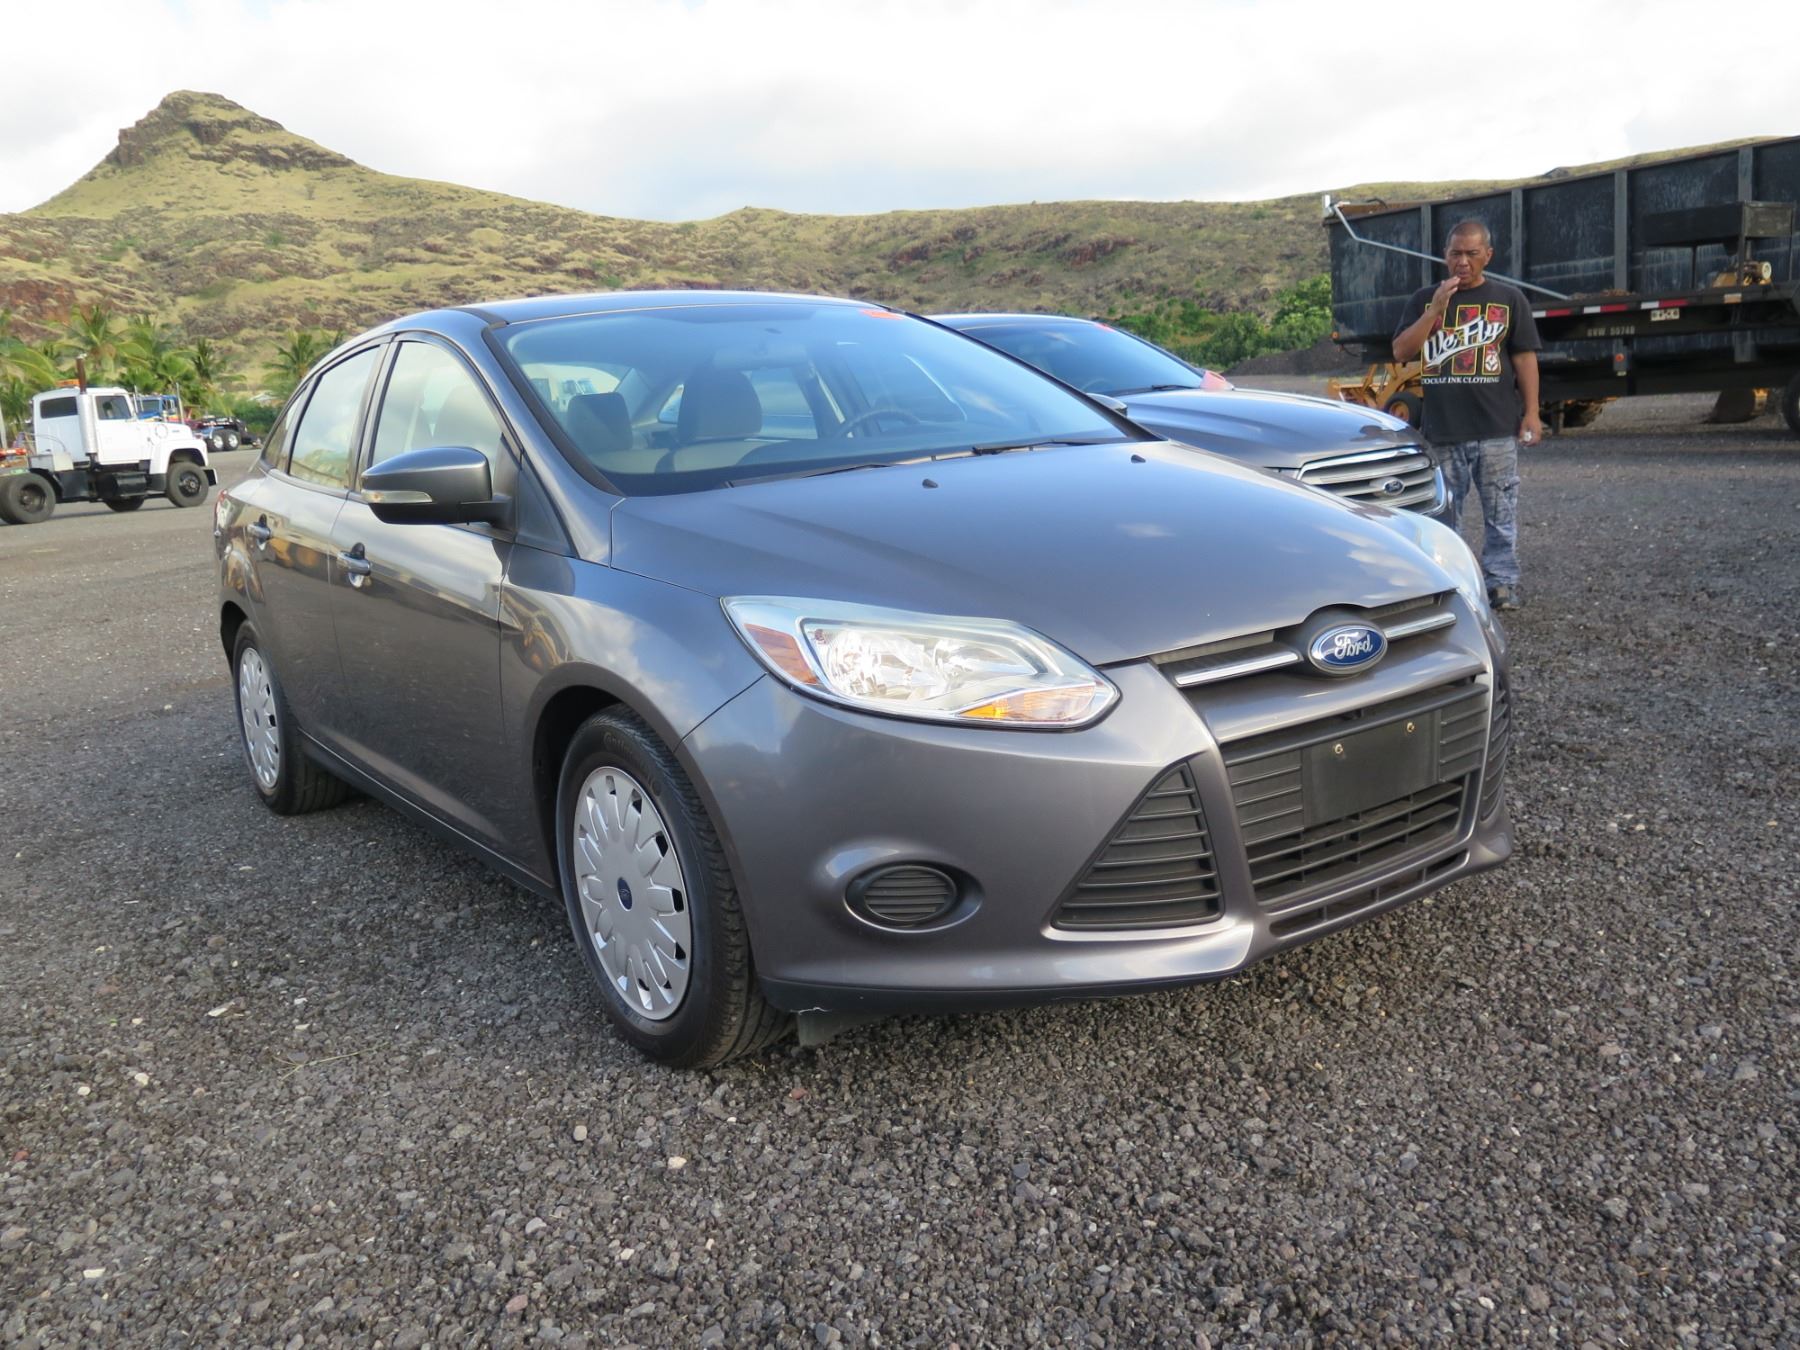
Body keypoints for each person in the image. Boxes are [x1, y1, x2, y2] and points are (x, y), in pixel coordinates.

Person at [1392, 220, 1542, 611]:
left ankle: (1501, 584)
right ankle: (1450, 584)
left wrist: (1532, 412)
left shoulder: (1509, 299)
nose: (1463, 261)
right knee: (1442, 516)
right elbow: (1402, 351)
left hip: (1496, 429)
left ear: (1487, 255)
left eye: (1472, 254)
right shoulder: (1424, 299)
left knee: (1501, 512)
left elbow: (1524, 358)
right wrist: (1435, 311)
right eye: (1456, 253)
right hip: (1443, 430)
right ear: (1445, 255)